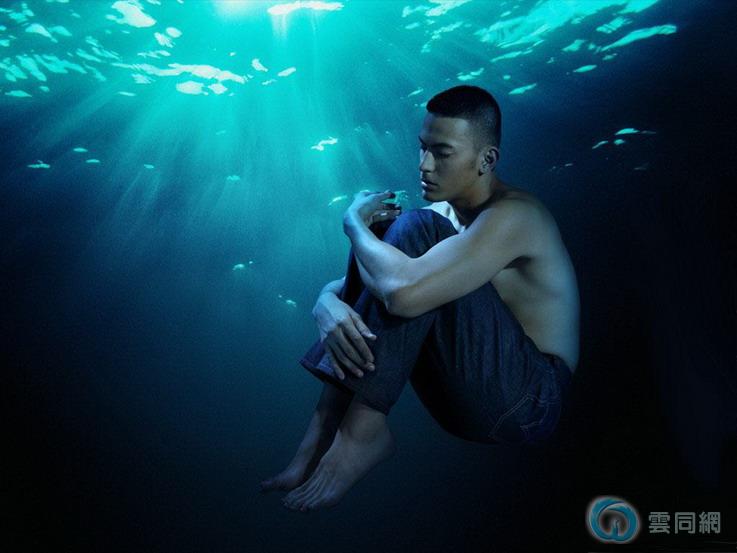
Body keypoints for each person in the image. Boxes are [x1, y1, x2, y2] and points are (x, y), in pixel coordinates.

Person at [260, 85, 580, 512]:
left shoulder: (517, 214)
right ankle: (324, 429)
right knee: (384, 238)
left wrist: (353, 222)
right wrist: (324, 304)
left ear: (487, 160)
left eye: (441, 153)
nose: (423, 165)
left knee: (405, 232)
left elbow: (401, 296)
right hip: (467, 401)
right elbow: (362, 286)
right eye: (422, 148)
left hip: (531, 401)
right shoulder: (443, 217)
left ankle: (361, 432)